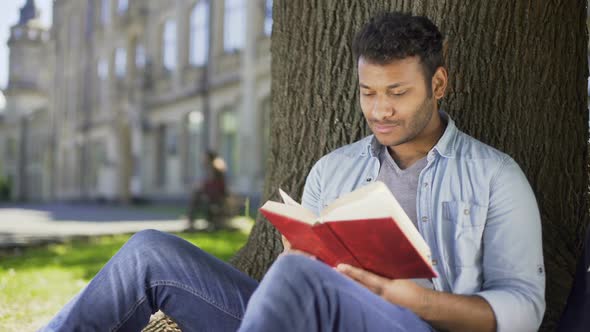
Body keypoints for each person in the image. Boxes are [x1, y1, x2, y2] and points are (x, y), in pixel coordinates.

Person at [42, 12, 545, 332]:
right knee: (150, 251)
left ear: (438, 84)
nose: (380, 110)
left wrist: (415, 301)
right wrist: (299, 257)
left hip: (417, 324)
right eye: (368, 92)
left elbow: (524, 307)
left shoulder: (495, 176)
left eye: (397, 93)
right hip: (312, 317)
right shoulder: (334, 168)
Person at [186, 151, 227, 231]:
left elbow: (214, 186)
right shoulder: (213, 169)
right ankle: (191, 221)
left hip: (214, 197)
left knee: (196, 197)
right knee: (196, 196)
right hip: (212, 195)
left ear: (209, 159)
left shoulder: (215, 169)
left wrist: (203, 190)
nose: (203, 159)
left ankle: (191, 221)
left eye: (205, 157)